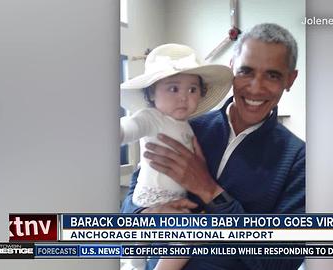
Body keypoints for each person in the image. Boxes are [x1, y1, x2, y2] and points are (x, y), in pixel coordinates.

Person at [122, 23, 305, 270]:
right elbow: (132, 200)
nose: (255, 87)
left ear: (290, 79)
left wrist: (210, 191)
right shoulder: (184, 127)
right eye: (246, 72)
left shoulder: (299, 160)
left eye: (272, 75)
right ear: (232, 70)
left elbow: (281, 261)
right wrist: (148, 214)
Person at [119, 43, 233, 270]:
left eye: (192, 90)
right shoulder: (151, 118)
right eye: (173, 89)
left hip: (175, 200)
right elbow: (129, 128)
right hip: (150, 200)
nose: (184, 98)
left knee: (184, 235)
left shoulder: (189, 126)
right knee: (186, 235)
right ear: (151, 92)